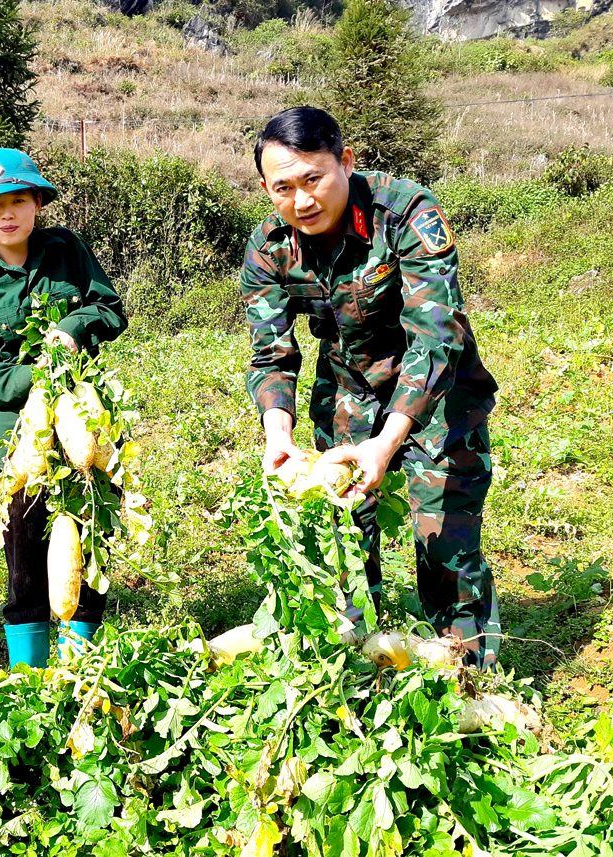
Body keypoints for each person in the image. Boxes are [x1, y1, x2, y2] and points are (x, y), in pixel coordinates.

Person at [241, 107, 502, 669]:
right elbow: (272, 351)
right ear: (265, 188)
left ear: (347, 163)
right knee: (341, 534)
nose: (302, 200)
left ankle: (471, 682)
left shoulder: (406, 212)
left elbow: (436, 337)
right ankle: (358, 670)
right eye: (283, 187)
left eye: (314, 179)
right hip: (349, 389)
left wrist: (386, 444)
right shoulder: (268, 245)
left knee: (443, 537)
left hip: (437, 389)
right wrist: (276, 432)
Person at [0, 148, 127, 669]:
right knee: (24, 557)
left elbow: (109, 309)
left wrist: (72, 331)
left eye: (19, 200)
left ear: (37, 204)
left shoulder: (68, 251)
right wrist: (40, 377)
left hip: (85, 423)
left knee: (89, 543)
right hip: (15, 436)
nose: (7, 213)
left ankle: (83, 665)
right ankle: (28, 675)